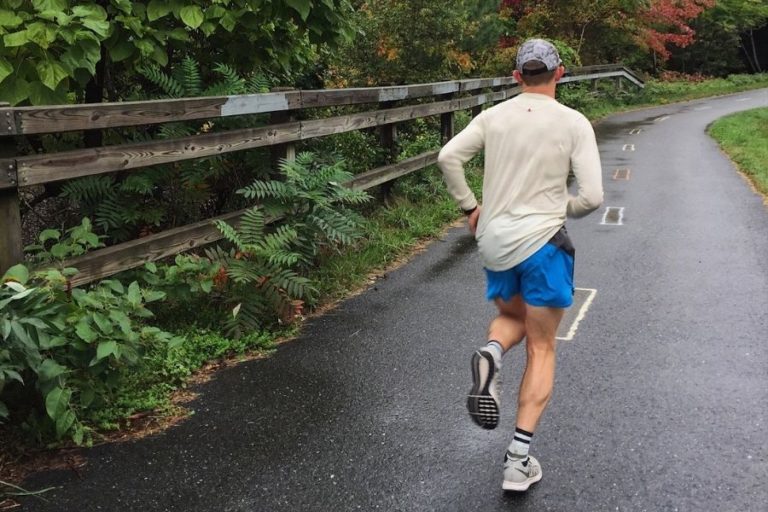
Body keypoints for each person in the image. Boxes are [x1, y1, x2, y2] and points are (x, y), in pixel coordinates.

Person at [437, 38, 603, 492]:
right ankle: (517, 461)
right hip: (543, 243)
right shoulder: (572, 122)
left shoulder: (493, 117)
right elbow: (591, 198)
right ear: (560, 73)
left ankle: (490, 354)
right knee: (542, 347)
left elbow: (448, 157)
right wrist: (557, 207)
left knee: (511, 317)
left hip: (494, 239)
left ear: (516, 77)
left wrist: (470, 207)